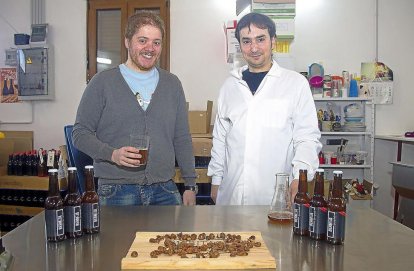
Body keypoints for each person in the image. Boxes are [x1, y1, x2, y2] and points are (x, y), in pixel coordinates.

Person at [72, 11, 197, 206]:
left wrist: (190, 185)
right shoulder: (102, 83)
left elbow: (181, 137)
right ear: (127, 42)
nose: (150, 48)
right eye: (142, 40)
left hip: (164, 190)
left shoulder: (172, 84)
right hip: (116, 192)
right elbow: (79, 133)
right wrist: (112, 154)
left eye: (157, 42)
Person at [207, 13, 322, 205]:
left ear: (273, 41)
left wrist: (299, 178)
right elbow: (220, 139)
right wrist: (216, 180)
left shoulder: (295, 84)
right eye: (246, 41)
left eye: (261, 39)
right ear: (240, 46)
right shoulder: (229, 86)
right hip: (232, 196)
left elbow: (307, 137)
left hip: (276, 198)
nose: (254, 48)